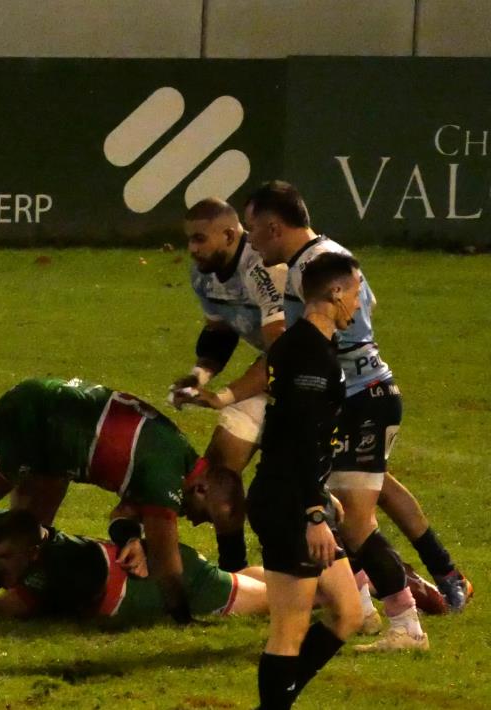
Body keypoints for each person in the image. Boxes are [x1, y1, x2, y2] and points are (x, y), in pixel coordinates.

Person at [246, 180, 468, 644]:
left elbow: (335, 330)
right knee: (343, 504)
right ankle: (370, 604)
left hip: (362, 397)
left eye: (253, 229)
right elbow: (366, 304)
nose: (251, 240)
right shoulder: (319, 258)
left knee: (350, 520)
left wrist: (304, 374)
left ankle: (406, 620)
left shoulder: (316, 265)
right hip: (353, 397)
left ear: (273, 226)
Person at [0, 378, 210, 624]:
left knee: (26, 539)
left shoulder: (170, 460)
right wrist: (181, 617)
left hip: (59, 438)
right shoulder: (167, 474)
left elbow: (125, 509)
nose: (196, 522)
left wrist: (130, 536)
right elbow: (165, 560)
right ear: (204, 490)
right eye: (205, 515)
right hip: (36, 418)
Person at [246, 252, 366, 708]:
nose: (359, 302)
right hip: (289, 503)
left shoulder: (307, 344)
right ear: (335, 293)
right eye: (356, 292)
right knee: (288, 630)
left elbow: (300, 433)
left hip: (299, 494)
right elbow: (298, 437)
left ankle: (279, 702)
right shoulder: (311, 355)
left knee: (348, 613)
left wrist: (321, 495)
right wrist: (313, 510)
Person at [0, 509, 269, 623]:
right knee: (247, 580)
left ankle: (307, 583)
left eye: (4, 559)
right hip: (153, 565)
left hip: (169, 581)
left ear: (33, 553)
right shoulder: (12, 553)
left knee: (276, 601)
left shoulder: (59, 566)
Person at [171, 197, 286, 572]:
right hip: (270, 374)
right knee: (217, 478)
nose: (192, 248)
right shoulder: (202, 276)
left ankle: (398, 576)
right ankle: (233, 575)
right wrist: (198, 377)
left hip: (317, 377)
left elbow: (285, 351)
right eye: (189, 239)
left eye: (200, 238)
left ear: (229, 234)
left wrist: (225, 396)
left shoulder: (264, 267)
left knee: (347, 494)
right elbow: (219, 333)